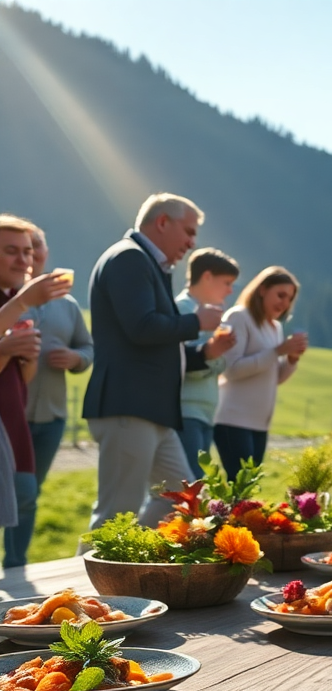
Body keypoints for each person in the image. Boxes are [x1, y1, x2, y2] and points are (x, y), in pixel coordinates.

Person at [84, 194, 231, 531]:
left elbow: (154, 344)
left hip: (150, 410)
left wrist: (204, 354)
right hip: (129, 405)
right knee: (116, 512)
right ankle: (86, 582)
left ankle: (138, 560)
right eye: (189, 232)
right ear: (163, 222)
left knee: (183, 500)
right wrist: (196, 322)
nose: (192, 243)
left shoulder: (144, 263)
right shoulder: (129, 259)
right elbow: (142, 327)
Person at [0, 216, 77, 566]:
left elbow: (22, 376)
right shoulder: (16, 303)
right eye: (11, 251)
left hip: (13, 413)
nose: (24, 260)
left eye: (28, 251)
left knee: (25, 493)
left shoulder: (16, 300)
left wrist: (24, 354)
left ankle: (16, 570)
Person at [17, 221, 94, 497]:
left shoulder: (68, 305)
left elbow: (88, 348)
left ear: (46, 252)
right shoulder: (7, 301)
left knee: (30, 495)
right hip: (11, 416)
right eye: (24, 248)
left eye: (37, 245)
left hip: (53, 416)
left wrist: (75, 358)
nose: (32, 253)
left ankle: (17, 543)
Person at [214, 267, 306, 478]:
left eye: (289, 299)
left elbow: (275, 378)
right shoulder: (239, 317)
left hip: (259, 424)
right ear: (262, 289)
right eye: (280, 295)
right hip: (233, 420)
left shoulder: (275, 327)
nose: (284, 303)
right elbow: (231, 370)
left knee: (248, 490)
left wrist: (291, 359)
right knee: (240, 490)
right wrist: (277, 351)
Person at [175, 248, 240, 477]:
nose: (230, 290)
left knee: (196, 482)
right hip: (185, 408)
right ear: (207, 276)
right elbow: (177, 361)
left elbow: (217, 361)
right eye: (227, 282)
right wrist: (211, 354)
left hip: (205, 410)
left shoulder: (211, 316)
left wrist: (217, 354)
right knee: (187, 484)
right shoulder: (182, 310)